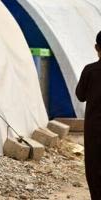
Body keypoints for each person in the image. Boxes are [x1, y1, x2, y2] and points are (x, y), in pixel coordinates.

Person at [76, 31, 101, 200]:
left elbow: (80, 95)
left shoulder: (90, 70)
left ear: (97, 48)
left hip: (95, 130)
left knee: (95, 168)